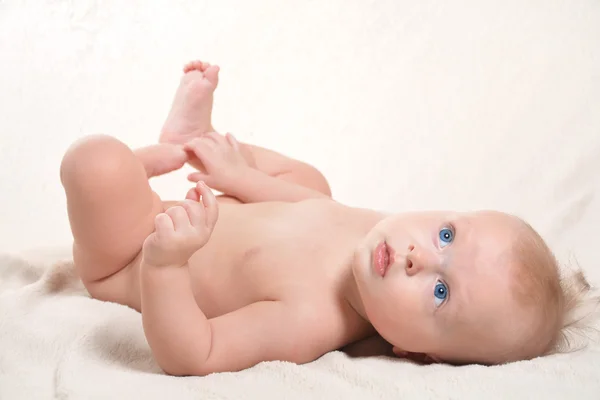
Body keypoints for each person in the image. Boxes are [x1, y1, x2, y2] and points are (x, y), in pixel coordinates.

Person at [59, 60, 597, 376]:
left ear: (414, 352)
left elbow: (195, 354)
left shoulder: (311, 320)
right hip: (203, 211)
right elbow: (300, 206)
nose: (420, 258)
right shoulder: (374, 230)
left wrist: (167, 265)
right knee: (314, 185)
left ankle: (156, 162)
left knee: (96, 161)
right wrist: (238, 179)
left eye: (440, 293)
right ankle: (195, 149)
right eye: (446, 235)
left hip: (132, 254)